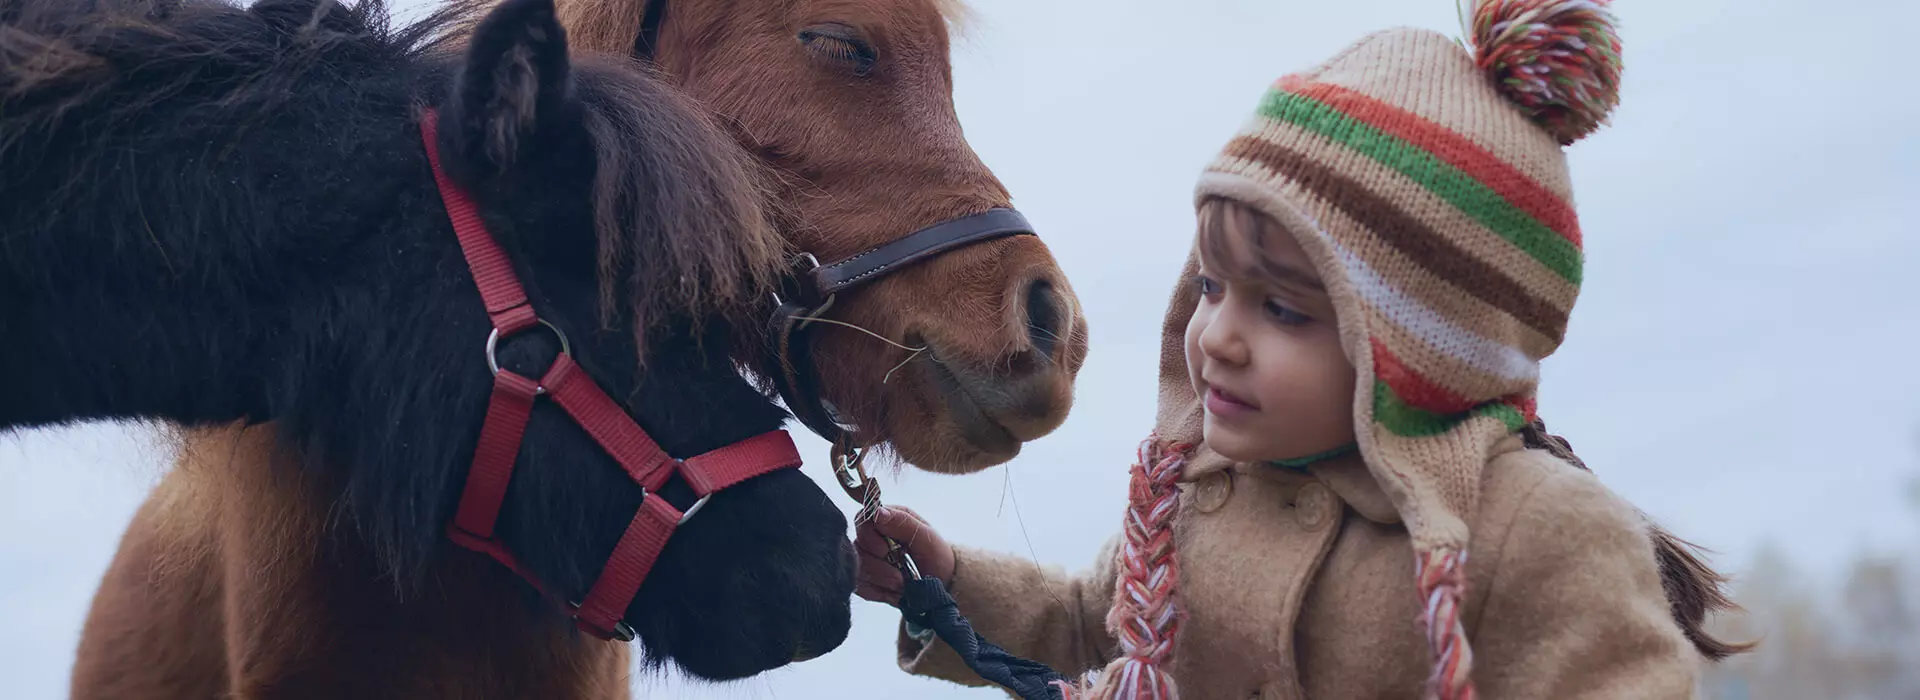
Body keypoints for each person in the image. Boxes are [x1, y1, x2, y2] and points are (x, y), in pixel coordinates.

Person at [854, 1, 1749, 698]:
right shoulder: (1200, 494)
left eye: (1283, 309)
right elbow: (1094, 623)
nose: (1220, 338)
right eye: (1209, 287)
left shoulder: (1538, 532)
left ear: (1426, 345)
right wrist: (952, 585)